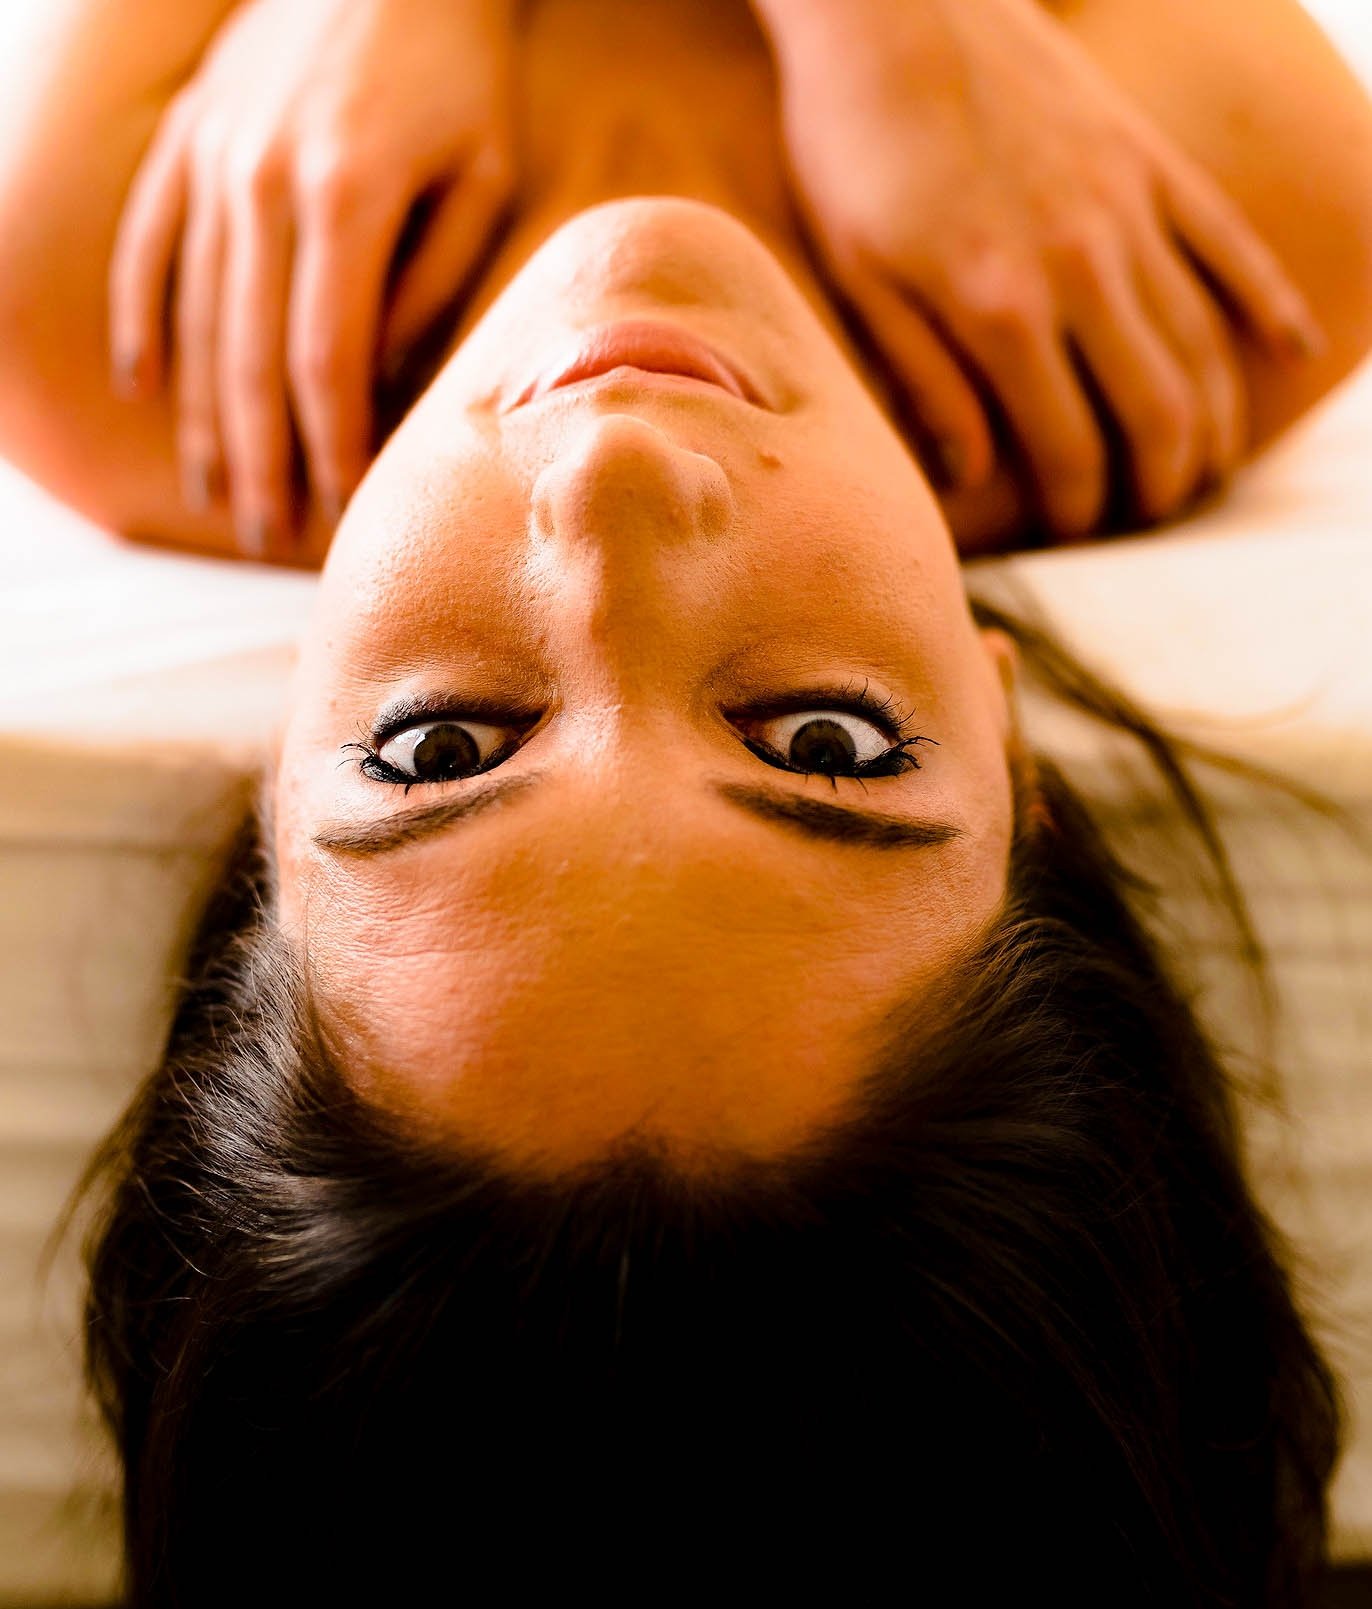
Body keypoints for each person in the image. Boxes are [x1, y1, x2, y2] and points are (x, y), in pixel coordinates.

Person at [1, 0, 1370, 1601]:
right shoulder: (1210, 264)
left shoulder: (109, 307)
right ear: (1013, 754)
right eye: (829, 744)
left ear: (274, 799)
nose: (617, 489)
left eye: (439, 750)